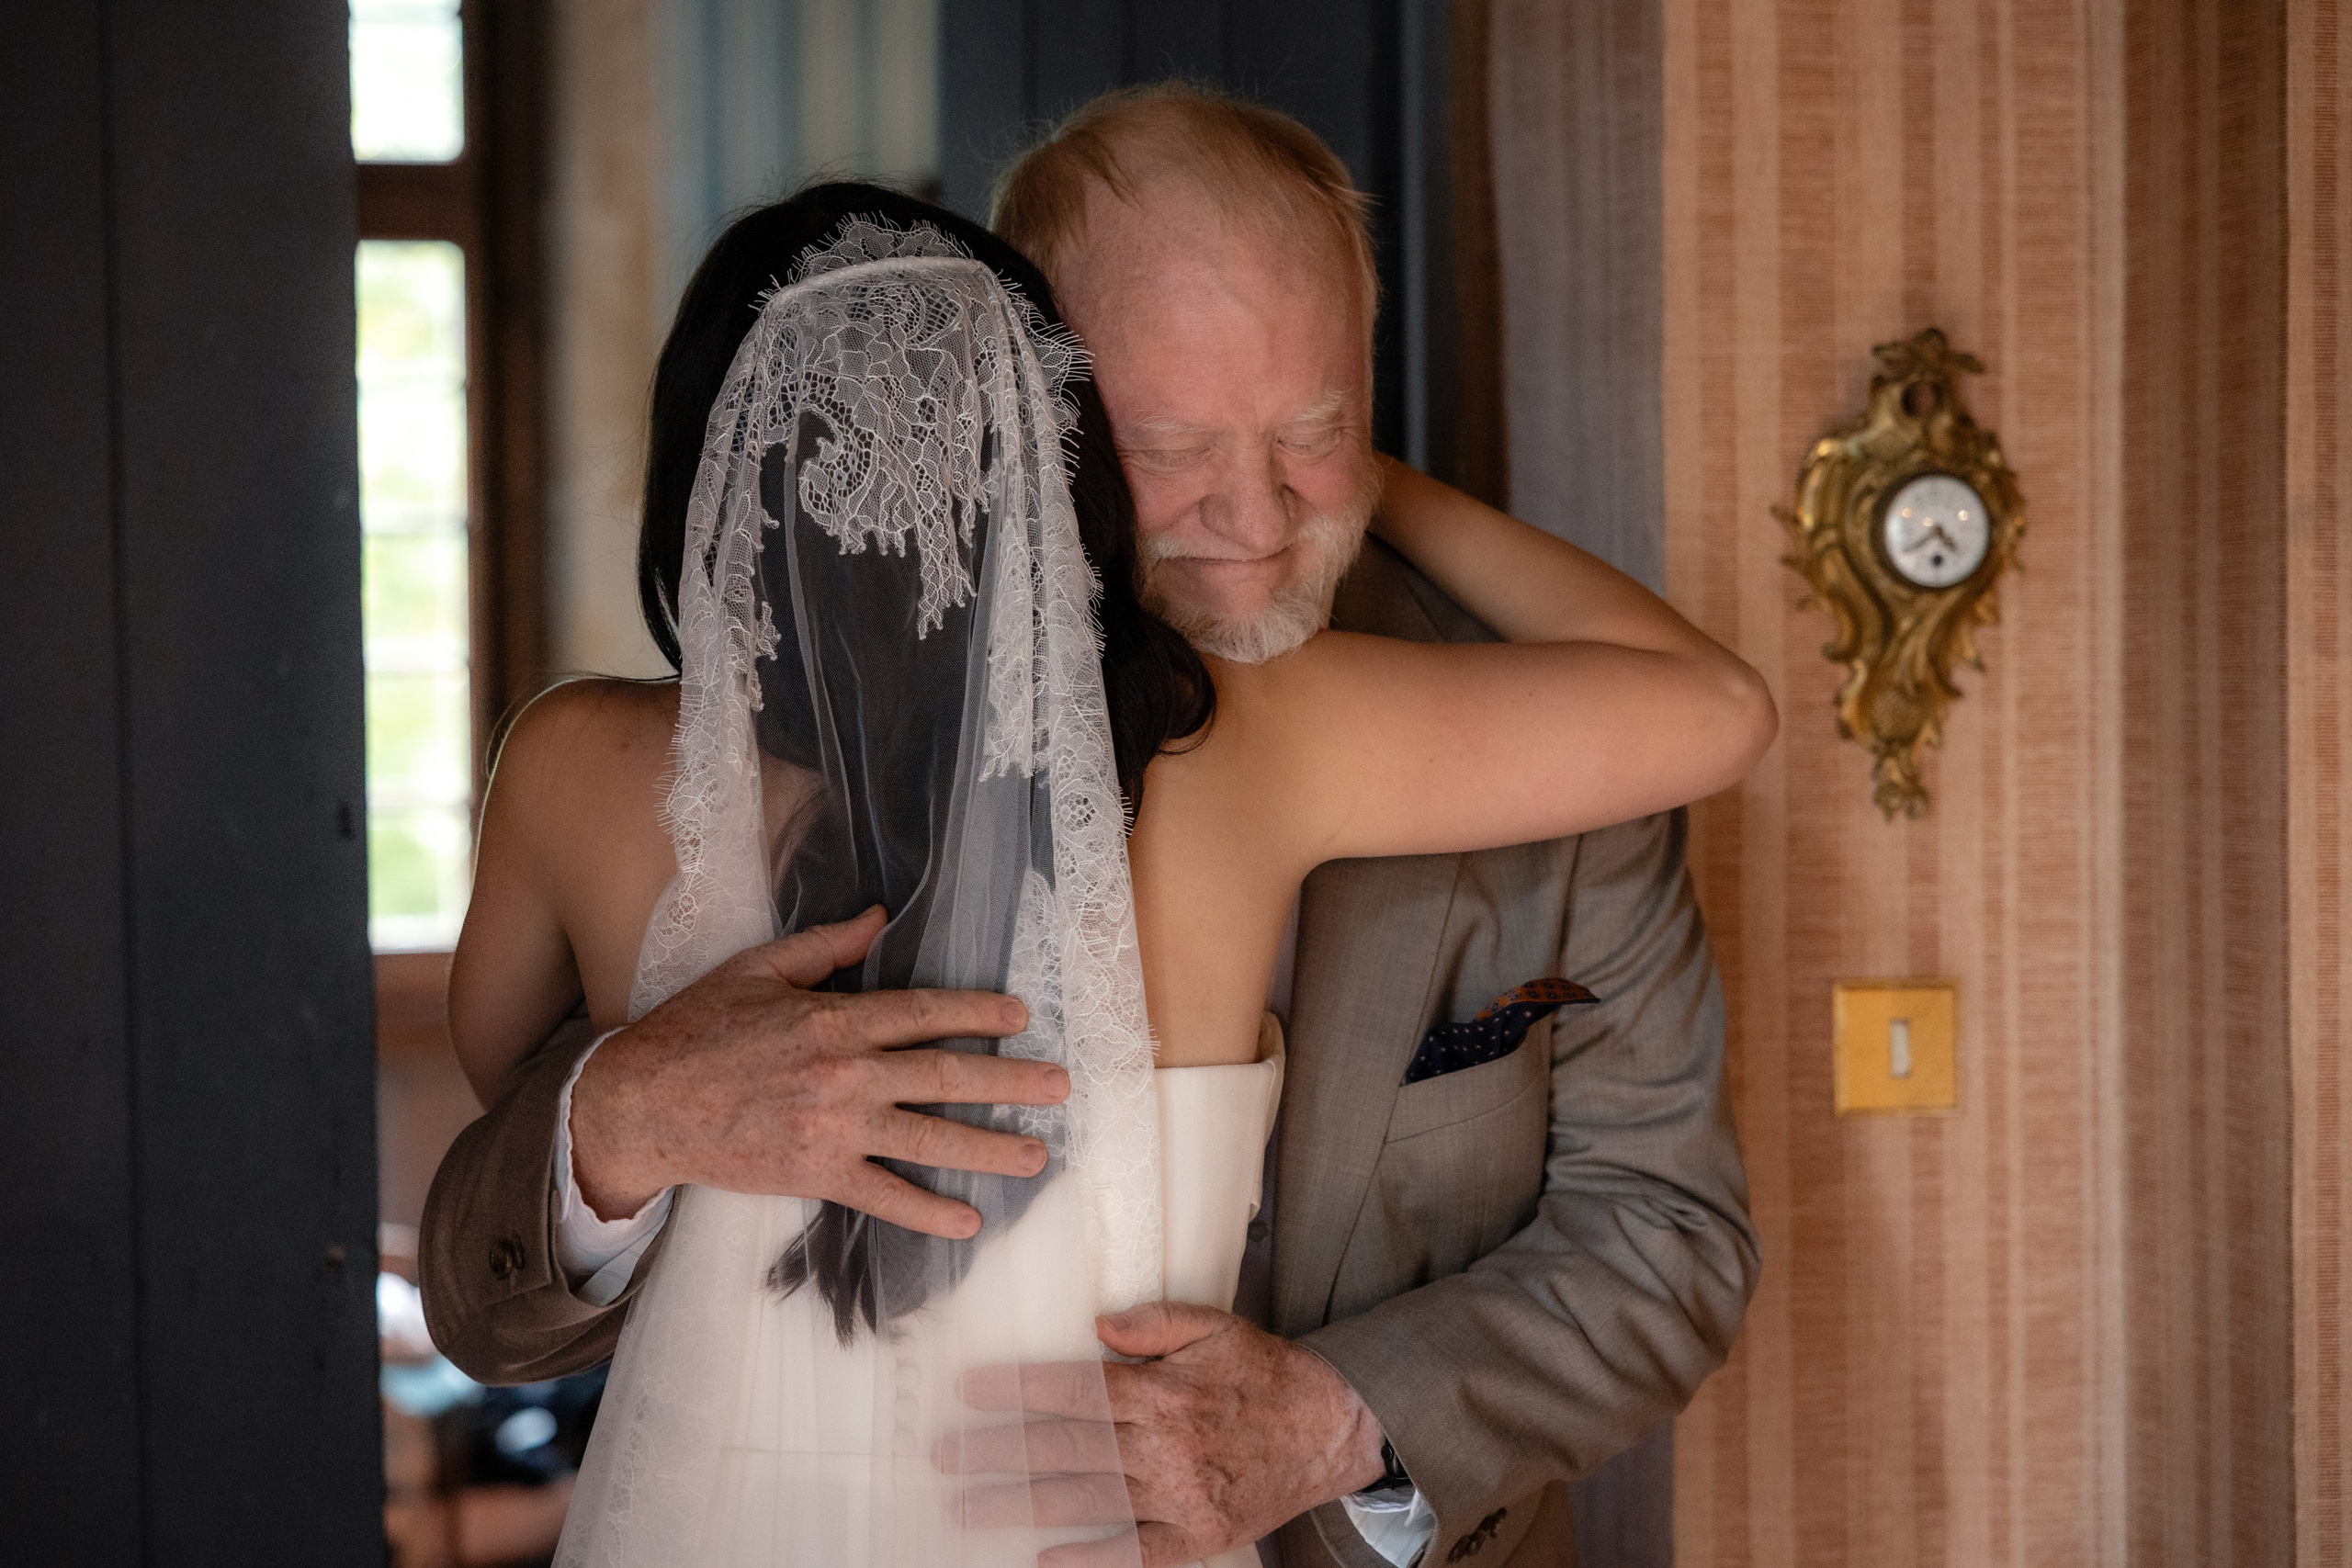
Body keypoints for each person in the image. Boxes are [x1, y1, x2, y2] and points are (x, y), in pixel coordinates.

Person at [423, 94, 1769, 1568]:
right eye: (1177, 439)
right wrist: (618, 1115)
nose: (1255, 514)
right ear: (1034, 403)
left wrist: (1338, 1416)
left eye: (1316, 428)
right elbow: (512, 1169)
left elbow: (1665, 1232)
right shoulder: (1265, 749)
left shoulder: (579, 770)